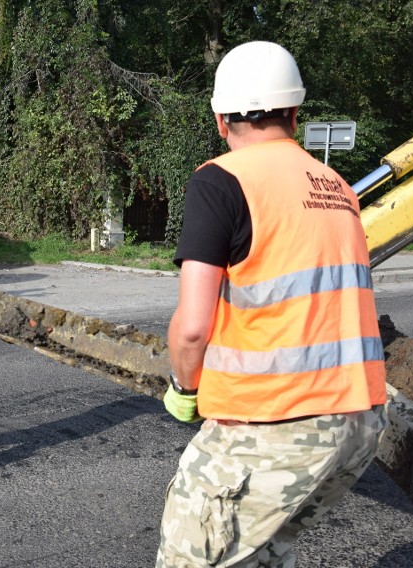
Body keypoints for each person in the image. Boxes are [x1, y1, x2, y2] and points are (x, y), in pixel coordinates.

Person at [157, 41, 388, 568]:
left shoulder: (221, 180)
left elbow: (192, 327)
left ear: (220, 119)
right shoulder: (336, 187)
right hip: (358, 423)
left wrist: (184, 389)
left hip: (273, 424)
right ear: (295, 112)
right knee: (265, 553)